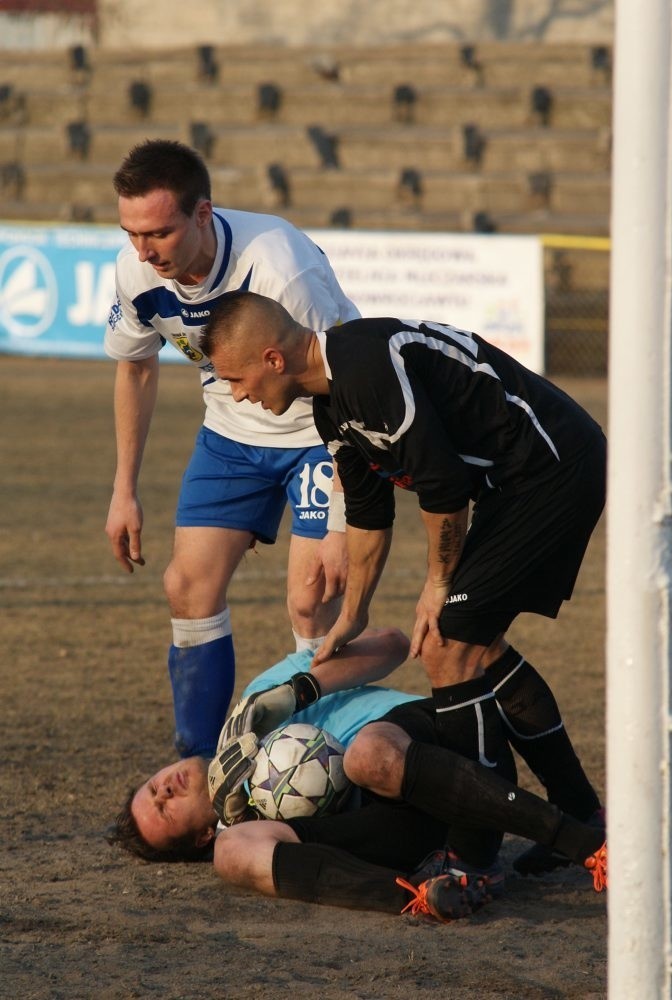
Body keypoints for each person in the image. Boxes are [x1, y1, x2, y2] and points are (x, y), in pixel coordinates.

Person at [198, 291, 607, 874]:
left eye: (237, 379)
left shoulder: (366, 363)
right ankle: (578, 813)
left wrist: (438, 583)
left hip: (554, 468)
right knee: (477, 645)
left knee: (449, 641)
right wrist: (353, 615)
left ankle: (474, 845)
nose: (238, 394)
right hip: (517, 485)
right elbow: (369, 515)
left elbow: (444, 488)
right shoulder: (330, 406)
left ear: (273, 359)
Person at [103, 139, 360, 762]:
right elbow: (136, 369)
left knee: (311, 595)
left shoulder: (280, 268)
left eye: (158, 232)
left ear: (201, 214)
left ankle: (319, 759)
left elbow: (350, 383)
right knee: (185, 586)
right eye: (131, 233)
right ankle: (198, 764)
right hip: (231, 432)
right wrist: (124, 489)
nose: (143, 250)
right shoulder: (136, 270)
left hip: (319, 432)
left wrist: (344, 515)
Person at [107, 632, 607, 922]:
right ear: (197, 834)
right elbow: (241, 846)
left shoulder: (257, 698)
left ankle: (583, 840)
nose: (164, 788)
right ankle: (418, 896)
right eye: (164, 809)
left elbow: (393, 644)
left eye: (153, 786)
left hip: (441, 745)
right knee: (233, 853)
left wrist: (300, 690)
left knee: (365, 756)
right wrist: (237, 821)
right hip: (432, 840)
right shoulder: (237, 825)